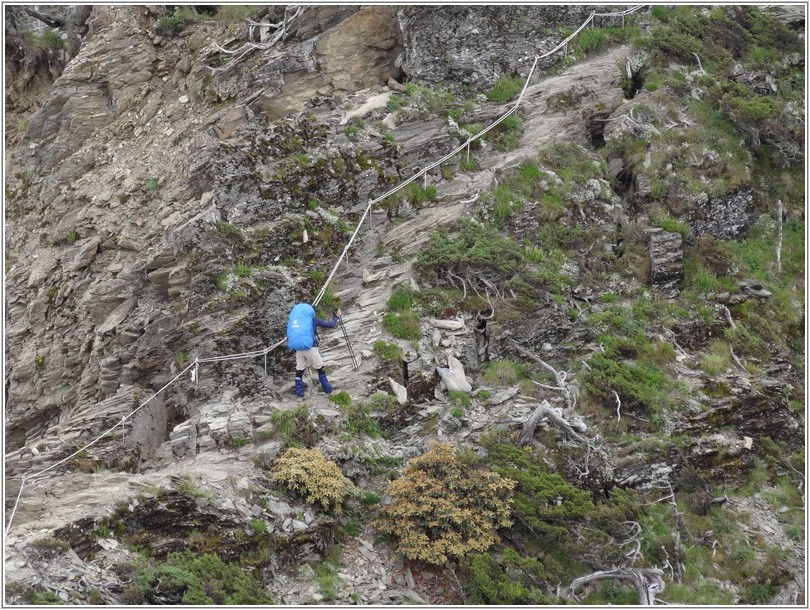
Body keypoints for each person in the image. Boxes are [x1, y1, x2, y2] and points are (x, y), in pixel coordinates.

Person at [286, 302, 343, 399]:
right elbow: (331, 325)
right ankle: (329, 391)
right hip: (310, 348)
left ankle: (299, 396)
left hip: (298, 349)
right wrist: (336, 316)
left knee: (299, 371)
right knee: (320, 369)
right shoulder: (313, 320)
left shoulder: (296, 323)